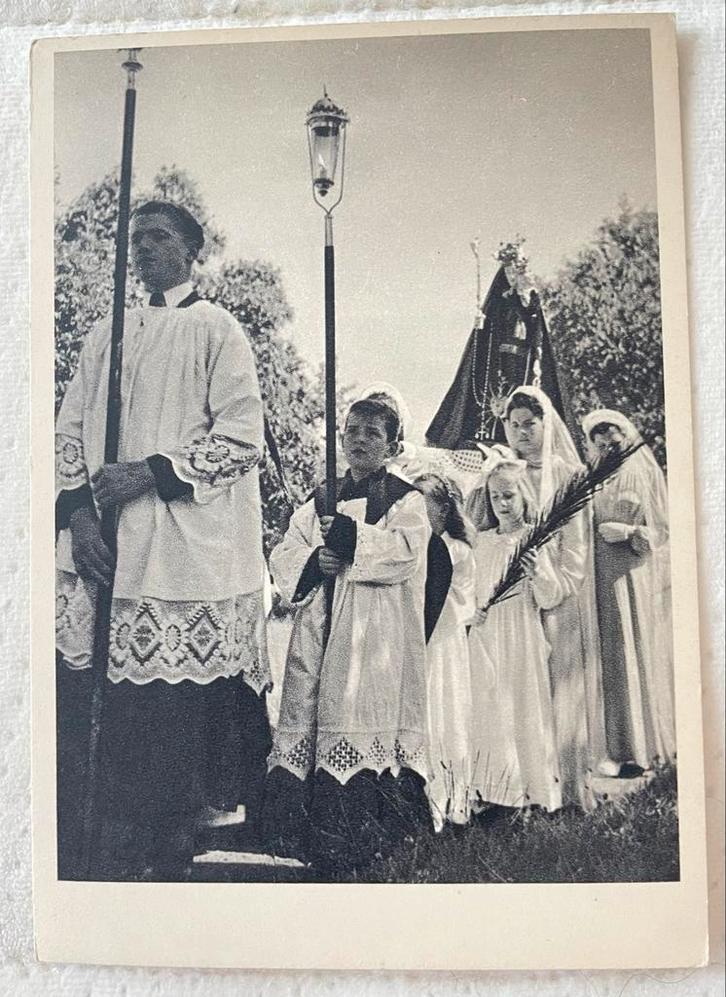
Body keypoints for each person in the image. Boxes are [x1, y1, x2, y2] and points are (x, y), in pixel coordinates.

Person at [55, 200, 272, 879]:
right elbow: (66, 432)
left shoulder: (216, 329)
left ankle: (168, 851)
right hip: (107, 547)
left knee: (172, 714)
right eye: (135, 239)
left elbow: (242, 439)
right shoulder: (104, 334)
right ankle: (99, 845)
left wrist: (149, 472)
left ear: (190, 249)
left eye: (157, 237)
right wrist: (79, 514)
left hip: (176, 550)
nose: (142, 249)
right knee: (100, 704)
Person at [264, 391, 432, 873]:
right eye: (352, 430)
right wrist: (316, 559)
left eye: (372, 433)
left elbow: (404, 552)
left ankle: (365, 841)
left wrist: (350, 540)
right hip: (319, 622)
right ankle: (306, 840)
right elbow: (285, 551)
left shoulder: (405, 500)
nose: (359, 439)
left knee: (356, 710)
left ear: (392, 445)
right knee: (311, 711)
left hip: (369, 630)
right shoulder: (321, 496)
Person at [498, 385, 604, 808]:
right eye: (514, 425)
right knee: (517, 687)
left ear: (547, 425)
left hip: (559, 591)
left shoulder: (567, 474)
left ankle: (569, 787)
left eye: (530, 424)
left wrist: (556, 586)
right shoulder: (503, 470)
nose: (522, 433)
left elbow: (576, 545)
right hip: (512, 593)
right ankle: (521, 787)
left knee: (560, 688)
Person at [467, 454, 563, 814]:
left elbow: (549, 596)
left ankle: (532, 791)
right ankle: (495, 789)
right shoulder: (483, 541)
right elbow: (473, 587)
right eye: (495, 497)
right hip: (488, 632)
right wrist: (473, 610)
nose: (502, 504)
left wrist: (538, 571)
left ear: (523, 496)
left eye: (509, 496)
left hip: (520, 632)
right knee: (490, 706)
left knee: (523, 706)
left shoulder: (533, 539)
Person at [582, 409, 675, 773]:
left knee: (631, 652)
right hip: (595, 578)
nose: (609, 450)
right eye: (601, 445)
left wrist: (631, 533)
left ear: (627, 441)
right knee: (604, 657)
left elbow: (664, 530)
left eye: (615, 444)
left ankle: (640, 747)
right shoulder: (589, 479)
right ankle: (611, 750)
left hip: (631, 575)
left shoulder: (643, 473)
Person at [415, 473, 477, 831]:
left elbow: (464, 600)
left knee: (444, 712)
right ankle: (421, 799)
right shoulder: (412, 544)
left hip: (444, 638)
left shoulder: (456, 549)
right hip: (419, 636)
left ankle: (450, 799)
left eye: (425, 505)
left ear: (443, 509)